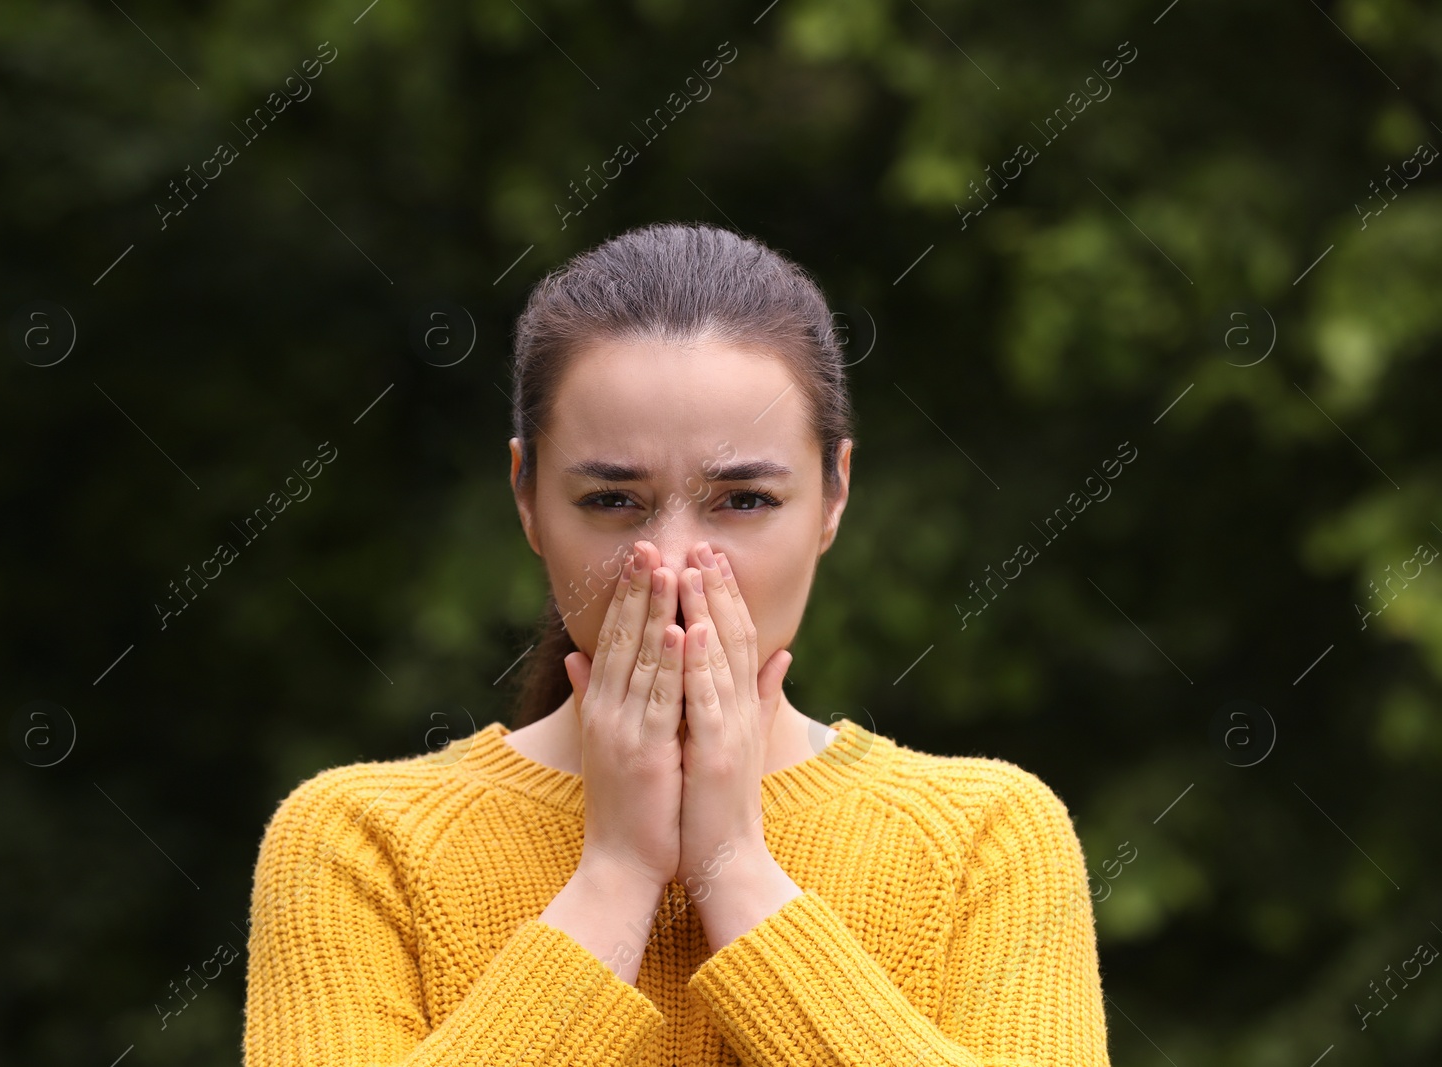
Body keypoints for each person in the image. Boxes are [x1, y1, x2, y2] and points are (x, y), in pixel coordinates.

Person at [241, 222, 1113, 1066]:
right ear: (527, 496)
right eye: (613, 502)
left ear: (835, 494)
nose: (670, 559)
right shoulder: (357, 842)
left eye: (744, 501)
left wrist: (735, 869)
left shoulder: (987, 838)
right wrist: (615, 875)